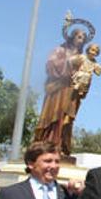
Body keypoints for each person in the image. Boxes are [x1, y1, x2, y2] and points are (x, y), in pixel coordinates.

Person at [34, 27, 89, 156]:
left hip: (71, 91)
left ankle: (61, 146)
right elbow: (50, 65)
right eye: (79, 37)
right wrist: (69, 62)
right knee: (52, 116)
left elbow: (86, 74)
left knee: (66, 119)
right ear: (72, 37)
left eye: (83, 39)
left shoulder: (82, 57)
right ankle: (47, 143)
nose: (81, 41)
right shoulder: (60, 50)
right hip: (57, 89)